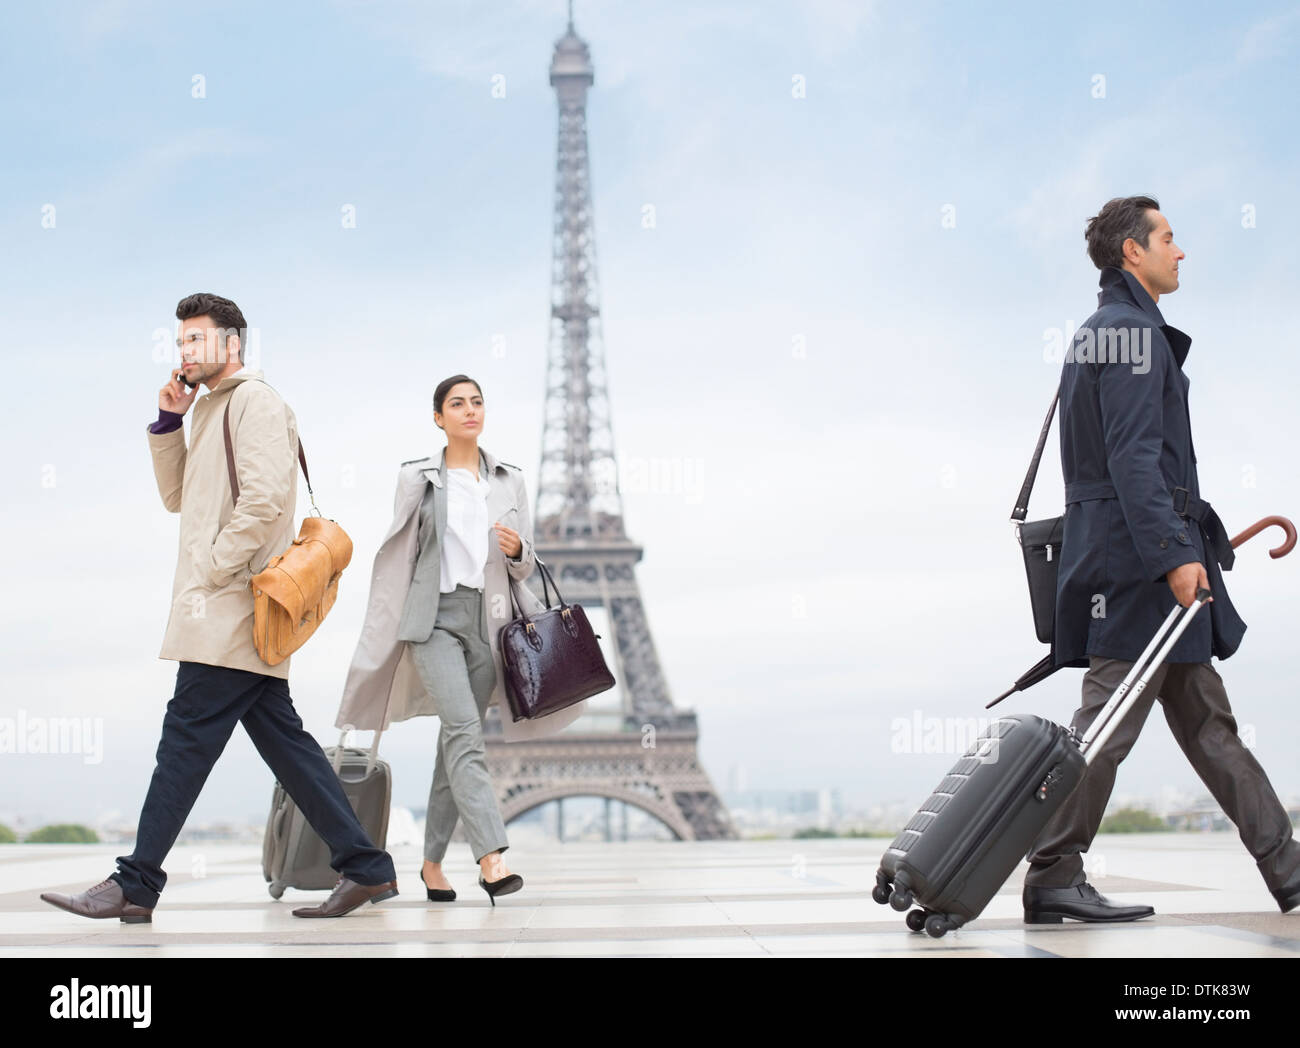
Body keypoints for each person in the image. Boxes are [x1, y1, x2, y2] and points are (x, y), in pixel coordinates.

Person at [40, 293, 398, 923]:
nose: (185, 352)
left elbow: (262, 504)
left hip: (231, 605)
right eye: (180, 343)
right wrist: (168, 422)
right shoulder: (208, 408)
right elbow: (177, 496)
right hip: (226, 607)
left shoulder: (256, 402)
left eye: (197, 341)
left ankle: (135, 883)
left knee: (183, 740)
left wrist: (210, 573)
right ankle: (366, 867)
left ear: (234, 344)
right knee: (286, 745)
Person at [1023, 197, 1300, 923]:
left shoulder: (1107, 332)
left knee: (1208, 725)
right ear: (1130, 253)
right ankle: (1052, 871)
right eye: (1169, 239)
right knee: (1108, 725)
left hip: (1129, 555)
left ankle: (1290, 870)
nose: (1181, 252)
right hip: (1139, 569)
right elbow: (1134, 461)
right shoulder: (1130, 336)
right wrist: (1176, 557)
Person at [336, 375, 586, 906]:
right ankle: (492, 857)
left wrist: (519, 550)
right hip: (433, 621)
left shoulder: (509, 480)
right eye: (457, 403)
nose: (469, 410)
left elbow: (524, 570)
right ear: (438, 417)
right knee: (467, 733)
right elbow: (400, 554)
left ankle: (430, 866)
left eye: (477, 402)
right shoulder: (417, 478)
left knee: (455, 742)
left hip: (490, 625)